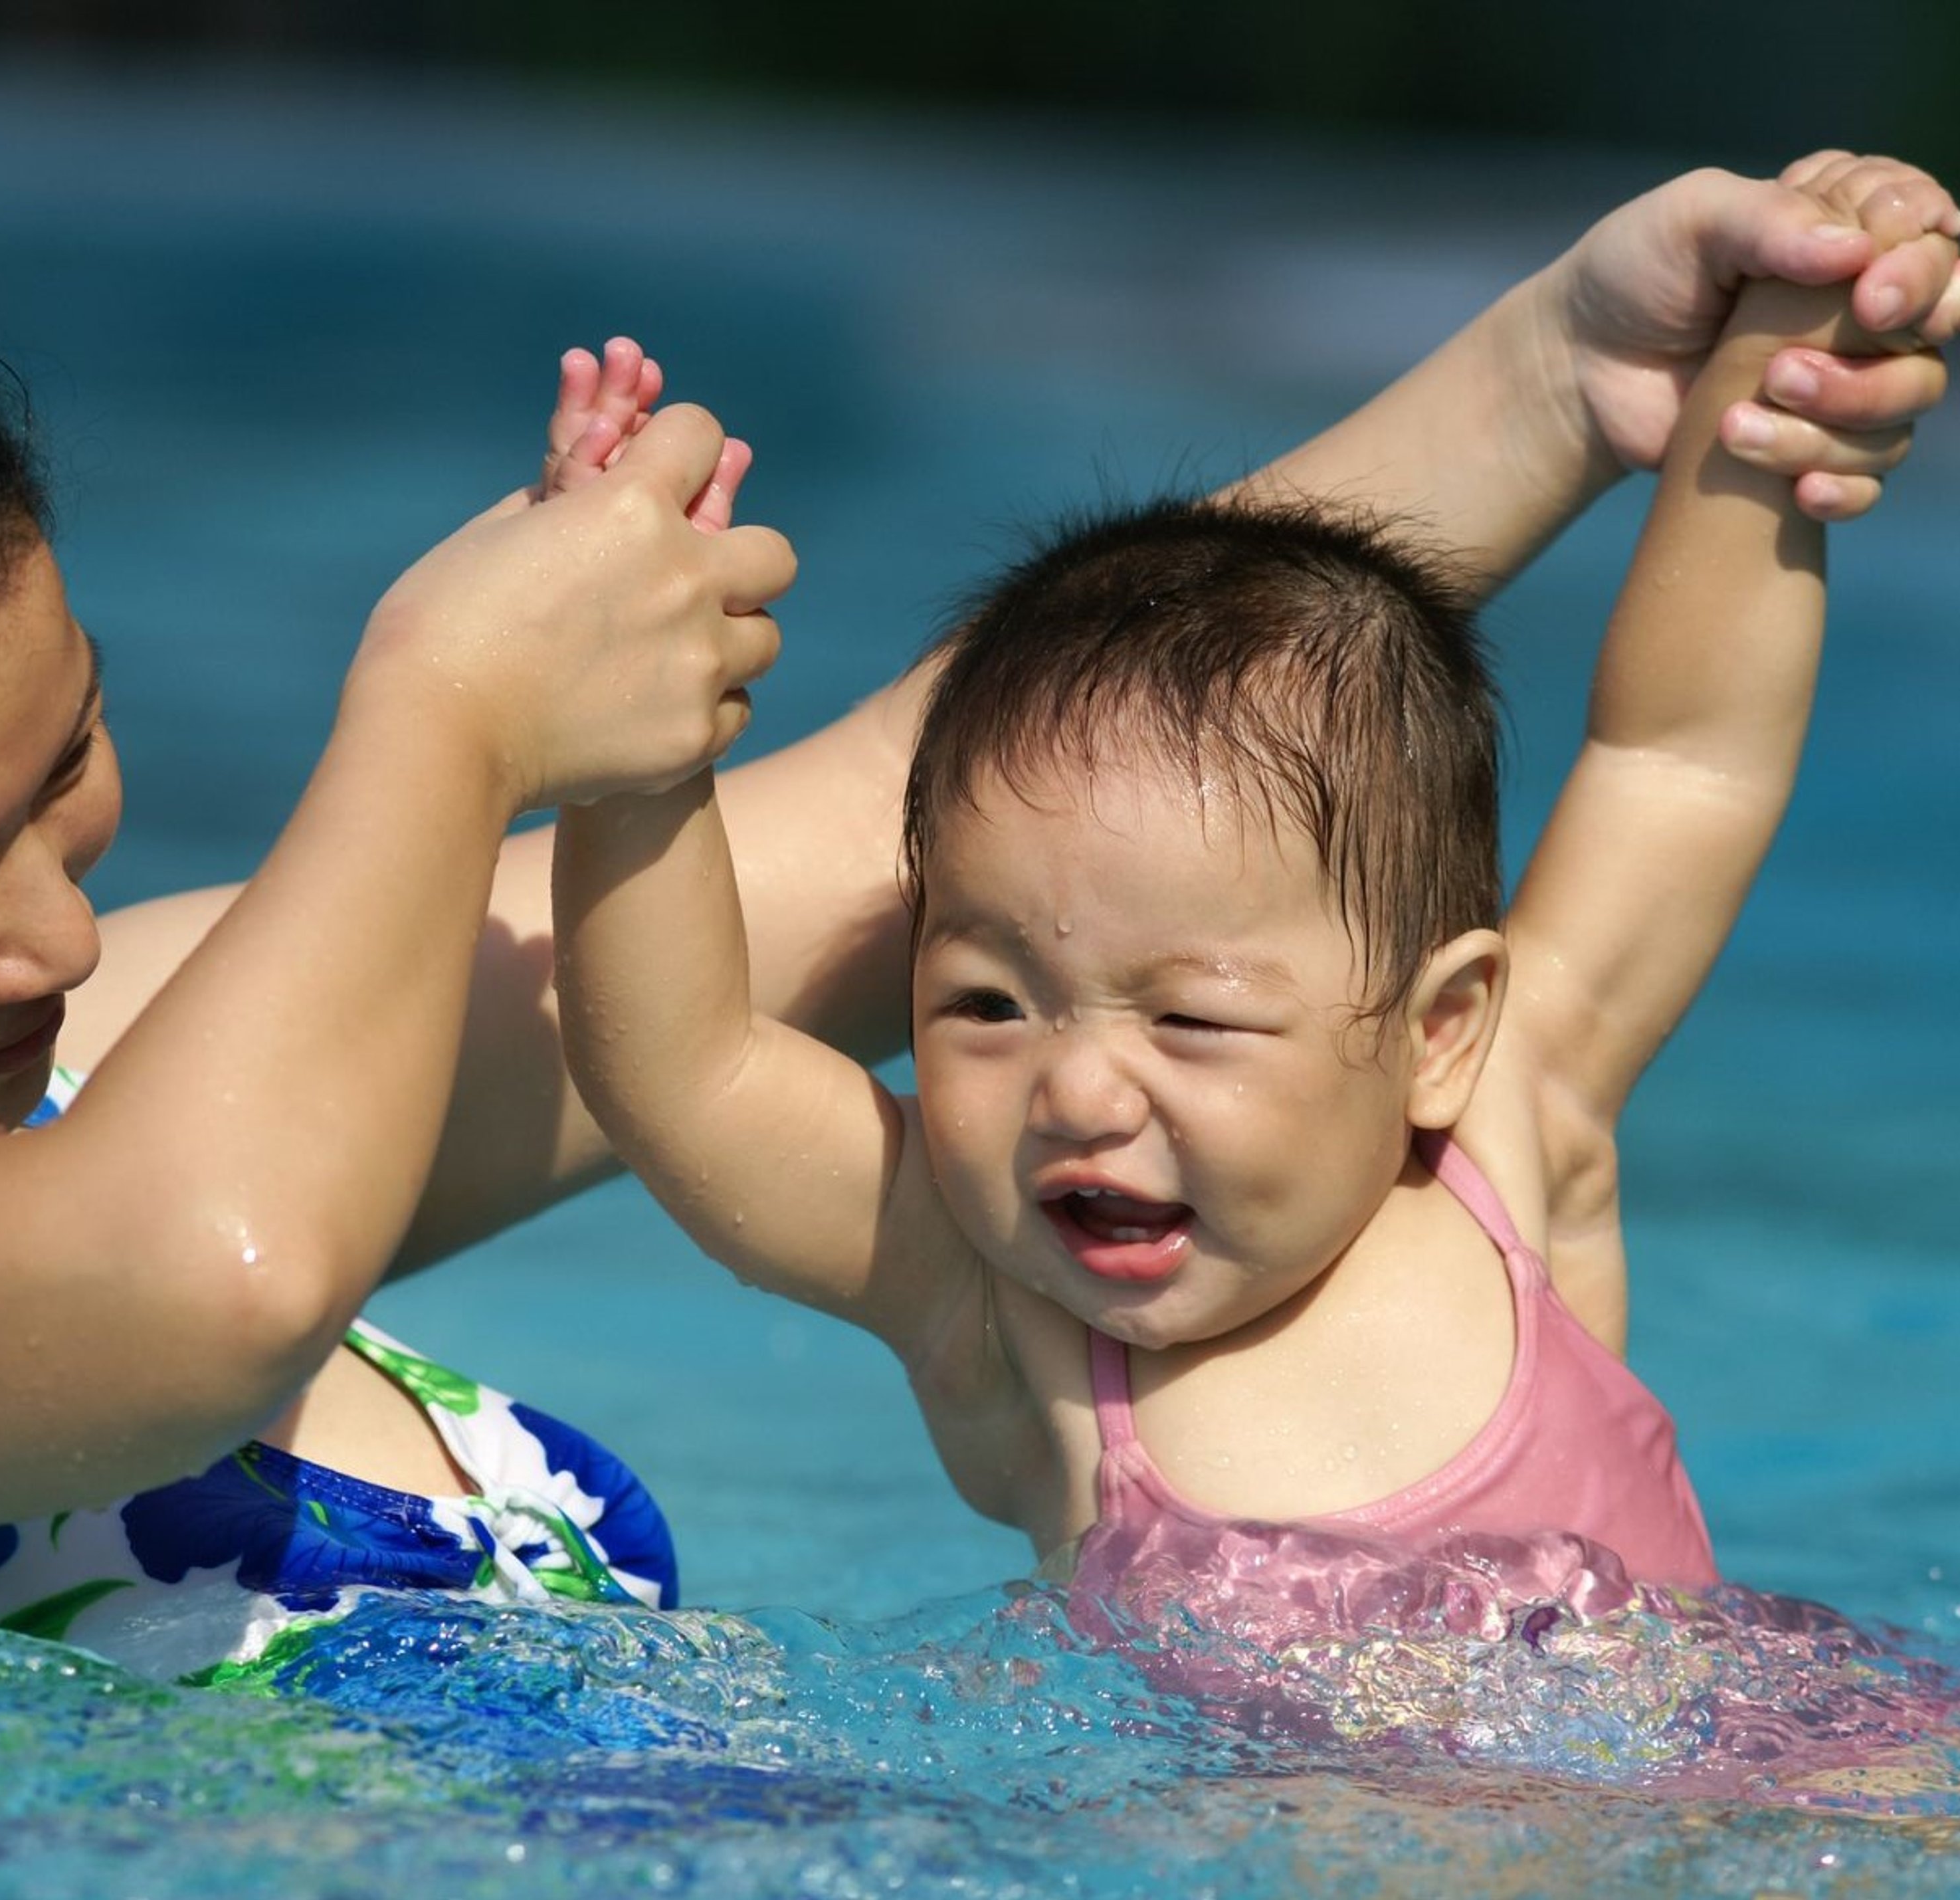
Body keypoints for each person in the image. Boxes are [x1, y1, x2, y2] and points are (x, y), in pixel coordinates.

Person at [0, 156, 1949, 1671]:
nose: (59, 945)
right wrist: (445, 709)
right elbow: (194, 1287)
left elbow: (924, 839)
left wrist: (1548, 391)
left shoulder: (63, 1086)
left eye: (66, 769)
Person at [549, 154, 1948, 1612]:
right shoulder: (997, 1312)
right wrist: (625, 744)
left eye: (1194, 1020)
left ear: (1439, 1029)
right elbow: (685, 1065)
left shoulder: (1509, 1130)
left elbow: (1681, 759)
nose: (1079, 1091)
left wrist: (1775, 378)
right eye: (985, 1001)